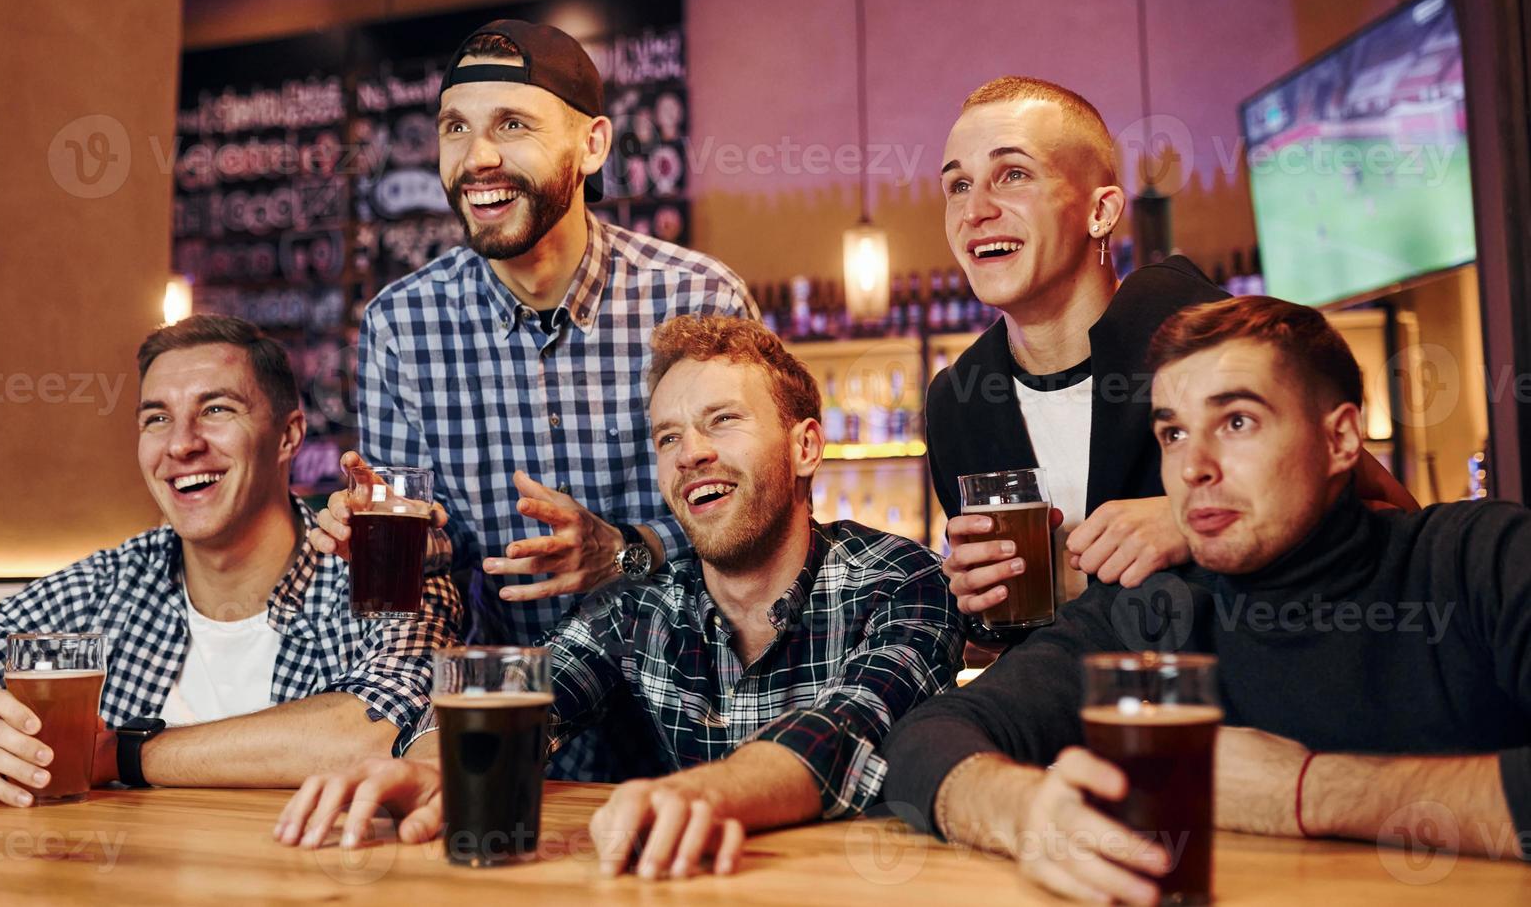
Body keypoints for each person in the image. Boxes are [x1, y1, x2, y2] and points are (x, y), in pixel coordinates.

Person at [883, 296, 1531, 905]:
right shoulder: (1149, 615)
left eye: (1237, 421)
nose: (1193, 468)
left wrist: (1308, 794)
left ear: (1340, 440)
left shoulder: (1479, 560)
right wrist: (1022, 809)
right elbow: (924, 740)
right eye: (1172, 435)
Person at [276, 316, 964, 879]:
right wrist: (433, 767)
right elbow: (532, 692)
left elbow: (842, 732)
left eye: (722, 421)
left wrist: (696, 795)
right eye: (669, 436)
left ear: (806, 446)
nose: (690, 452)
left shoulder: (901, 581)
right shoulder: (641, 605)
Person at [307, 19, 755, 781]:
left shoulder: (697, 299)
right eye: (455, 128)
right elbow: (428, 575)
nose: (477, 158)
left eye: (511, 125)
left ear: (593, 146)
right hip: (510, 737)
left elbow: (762, 523)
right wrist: (385, 544)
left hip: (697, 727)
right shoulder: (399, 325)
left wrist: (619, 552)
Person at [928, 76, 1414, 642]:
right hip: (1073, 715)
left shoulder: (1212, 336)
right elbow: (1009, 635)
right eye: (958, 186)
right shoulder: (958, 401)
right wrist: (974, 601)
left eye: (1013, 174)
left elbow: (1395, 520)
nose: (975, 210)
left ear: (1101, 211)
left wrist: (1198, 521)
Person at [0, 315, 463, 807]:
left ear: (288, 436)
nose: (181, 444)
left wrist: (120, 754)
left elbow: (386, 732)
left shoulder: (382, 571)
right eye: (157, 418)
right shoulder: (106, 585)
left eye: (216, 409)